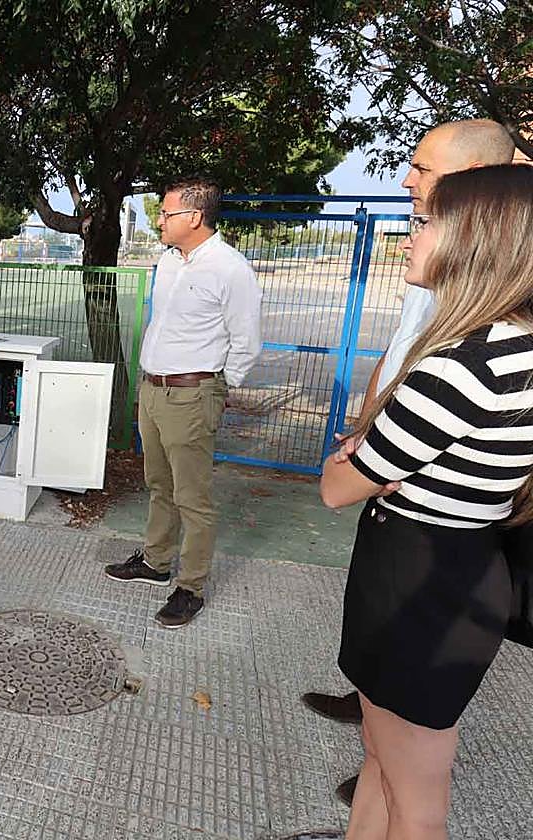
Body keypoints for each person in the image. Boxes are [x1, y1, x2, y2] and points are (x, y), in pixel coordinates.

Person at [300, 119, 517, 808]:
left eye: (426, 217)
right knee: (383, 764)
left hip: (421, 570)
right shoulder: (511, 348)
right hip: (456, 556)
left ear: (474, 228)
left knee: (415, 802)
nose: (409, 220)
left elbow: (336, 488)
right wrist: (379, 438)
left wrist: (370, 452)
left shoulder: (462, 369)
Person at [104, 175, 262, 628]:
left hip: (192, 392)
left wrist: (216, 387)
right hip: (153, 390)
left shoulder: (230, 269)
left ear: (194, 217)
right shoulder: (170, 262)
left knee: (193, 498)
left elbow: (246, 341)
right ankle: (155, 562)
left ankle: (190, 586)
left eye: (167, 213)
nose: (160, 220)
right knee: (159, 484)